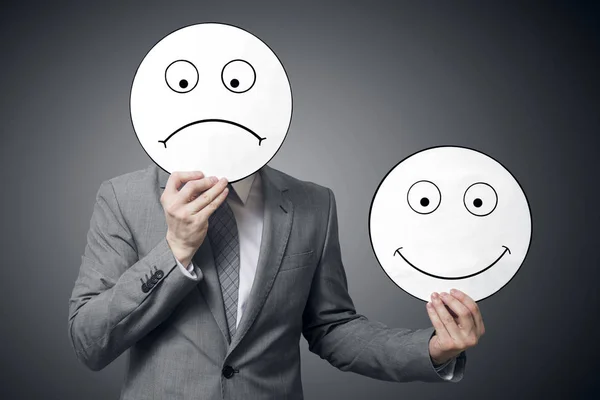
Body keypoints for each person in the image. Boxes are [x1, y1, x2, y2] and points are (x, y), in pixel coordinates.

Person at [68, 165, 485, 399]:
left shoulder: (313, 202)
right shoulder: (123, 197)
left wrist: (432, 349)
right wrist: (174, 249)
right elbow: (90, 340)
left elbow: (331, 327)